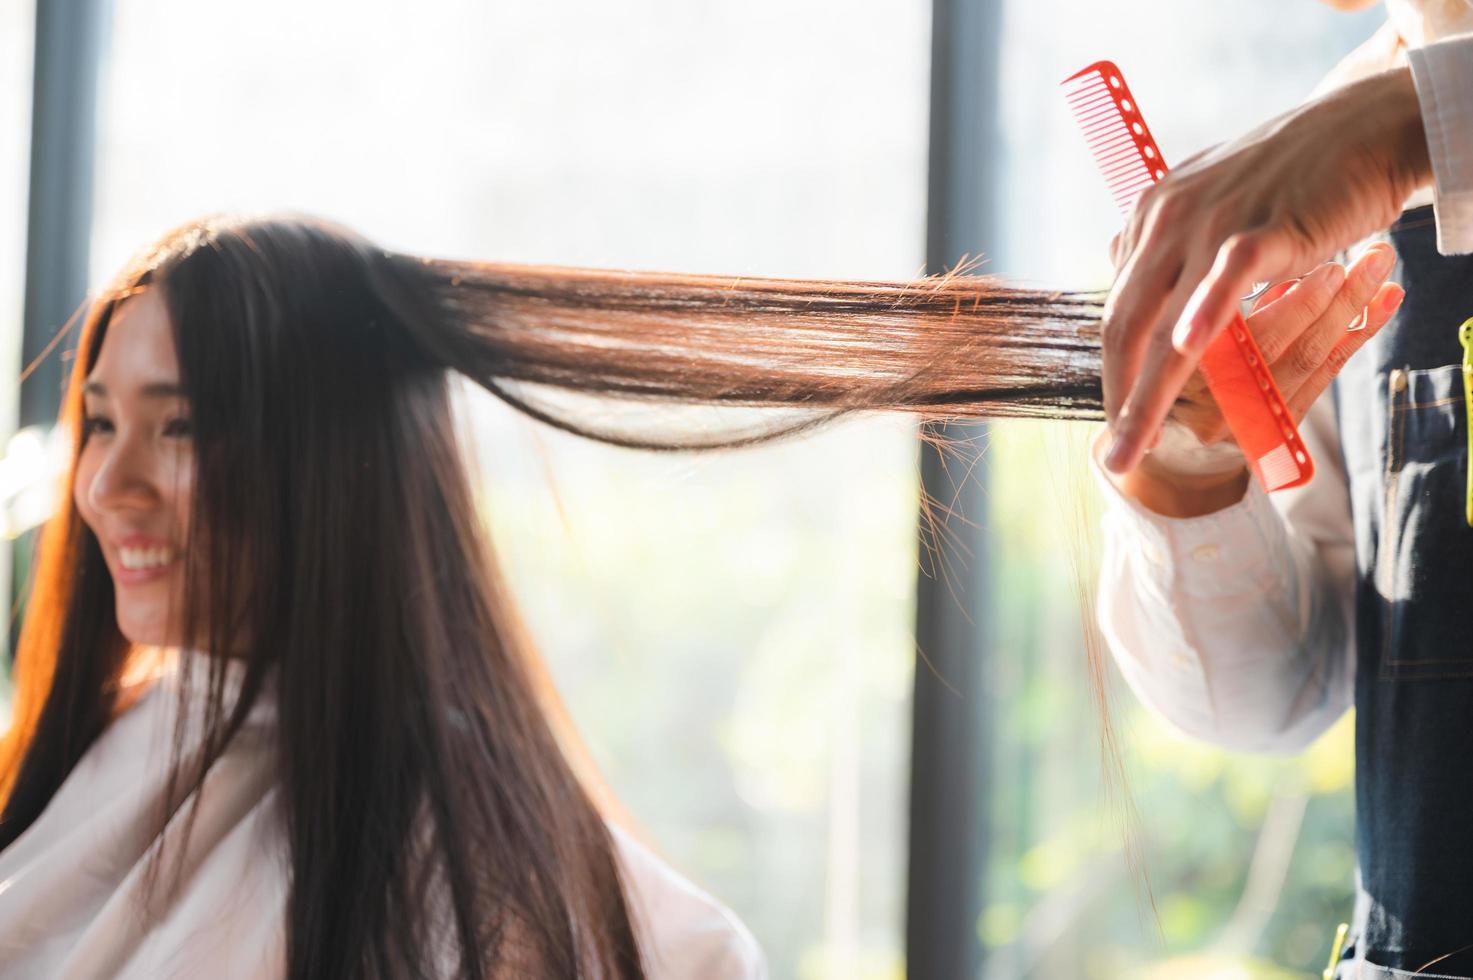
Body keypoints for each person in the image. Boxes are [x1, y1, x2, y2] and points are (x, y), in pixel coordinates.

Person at [1093, 1, 1473, 976]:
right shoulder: (1321, 152)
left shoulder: (1355, 144)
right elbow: (1291, 683)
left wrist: (1417, 126)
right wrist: (1192, 476)